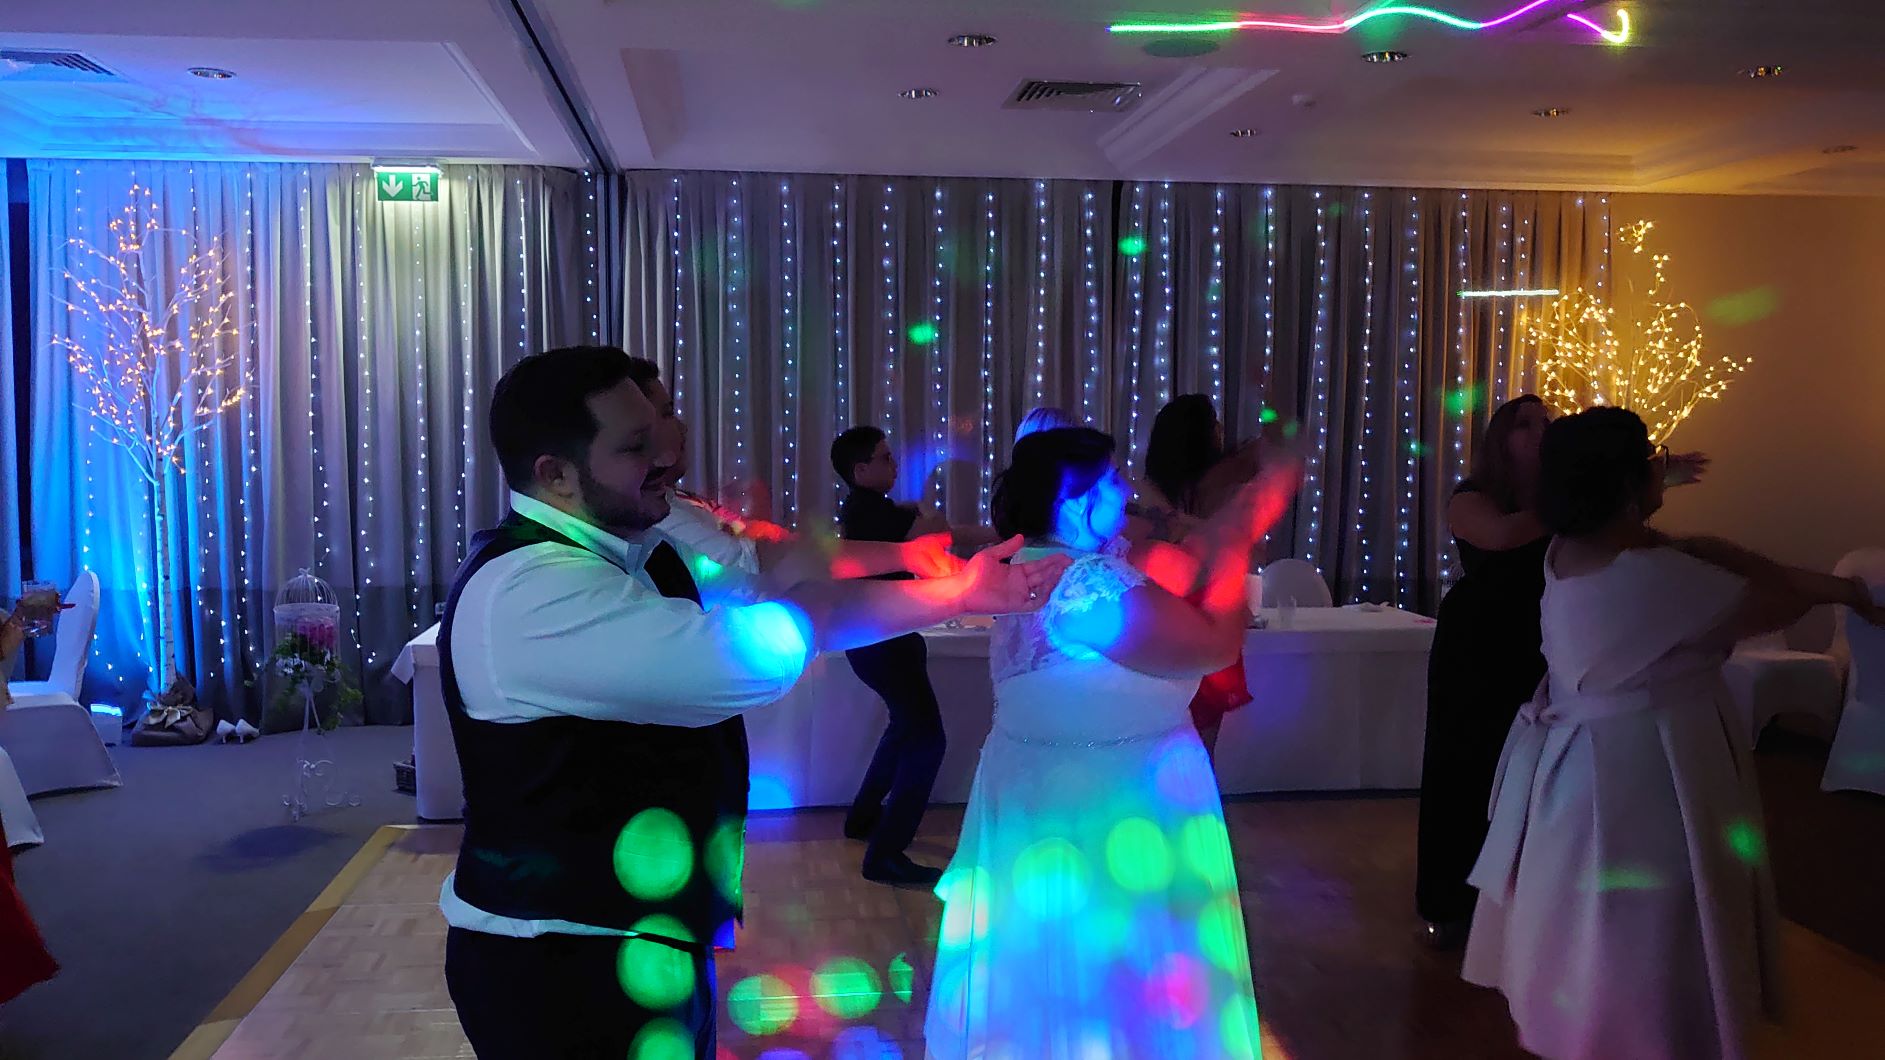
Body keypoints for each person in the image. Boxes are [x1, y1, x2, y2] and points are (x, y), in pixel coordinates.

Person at [439, 346, 1069, 1059]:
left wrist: (959, 592)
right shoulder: (533, 588)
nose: (666, 455)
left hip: (637, 940)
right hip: (558, 959)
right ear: (555, 474)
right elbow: (744, 656)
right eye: (635, 445)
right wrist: (934, 592)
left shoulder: (633, 546)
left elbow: (783, 586)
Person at [1462, 406, 1885, 1060]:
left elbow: (1707, 568)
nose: (1660, 469)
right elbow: (1775, 595)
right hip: (1646, 773)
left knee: (1594, 922)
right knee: (1655, 925)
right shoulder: (1652, 577)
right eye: (1650, 462)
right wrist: (1829, 587)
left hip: (1582, 766)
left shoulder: (1569, 552)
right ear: (1626, 487)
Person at [925, 426, 1299, 1060]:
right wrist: (1239, 541)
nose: (1127, 489)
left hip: (1050, 791)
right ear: (1074, 499)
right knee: (1123, 961)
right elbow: (1214, 645)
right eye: (1113, 478)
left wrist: (1237, 510)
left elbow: (1182, 560)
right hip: (1114, 805)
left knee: (1060, 967)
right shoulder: (1085, 587)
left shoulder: (1036, 561)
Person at [1416, 395, 1705, 947]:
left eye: (1545, 421)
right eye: (1524, 424)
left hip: (1543, 639)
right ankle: (1451, 903)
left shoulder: (1563, 505)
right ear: (1501, 441)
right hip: (1475, 647)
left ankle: (1523, 908)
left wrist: (1622, 490)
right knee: (1466, 768)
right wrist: (1590, 497)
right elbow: (1501, 537)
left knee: (1537, 773)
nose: (1539, 429)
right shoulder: (1472, 497)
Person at [622, 358, 963, 589]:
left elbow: (759, 542)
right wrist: (910, 555)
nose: (681, 427)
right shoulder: (655, 515)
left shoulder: (676, 502)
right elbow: (754, 563)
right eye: (667, 413)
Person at [829, 425, 978, 886]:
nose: (894, 465)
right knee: (927, 740)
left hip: (879, 637)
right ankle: (885, 854)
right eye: (885, 458)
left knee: (905, 727)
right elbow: (933, 534)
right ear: (860, 470)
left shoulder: (870, 509)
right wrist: (925, 516)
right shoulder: (868, 511)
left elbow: (938, 533)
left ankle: (863, 820)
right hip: (882, 640)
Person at [1140, 394, 1273, 756]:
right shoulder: (1151, 494)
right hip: (1187, 613)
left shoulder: (1212, 492)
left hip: (1188, 612)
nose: (1220, 431)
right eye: (1213, 425)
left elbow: (1253, 549)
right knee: (1183, 731)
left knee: (1186, 728)